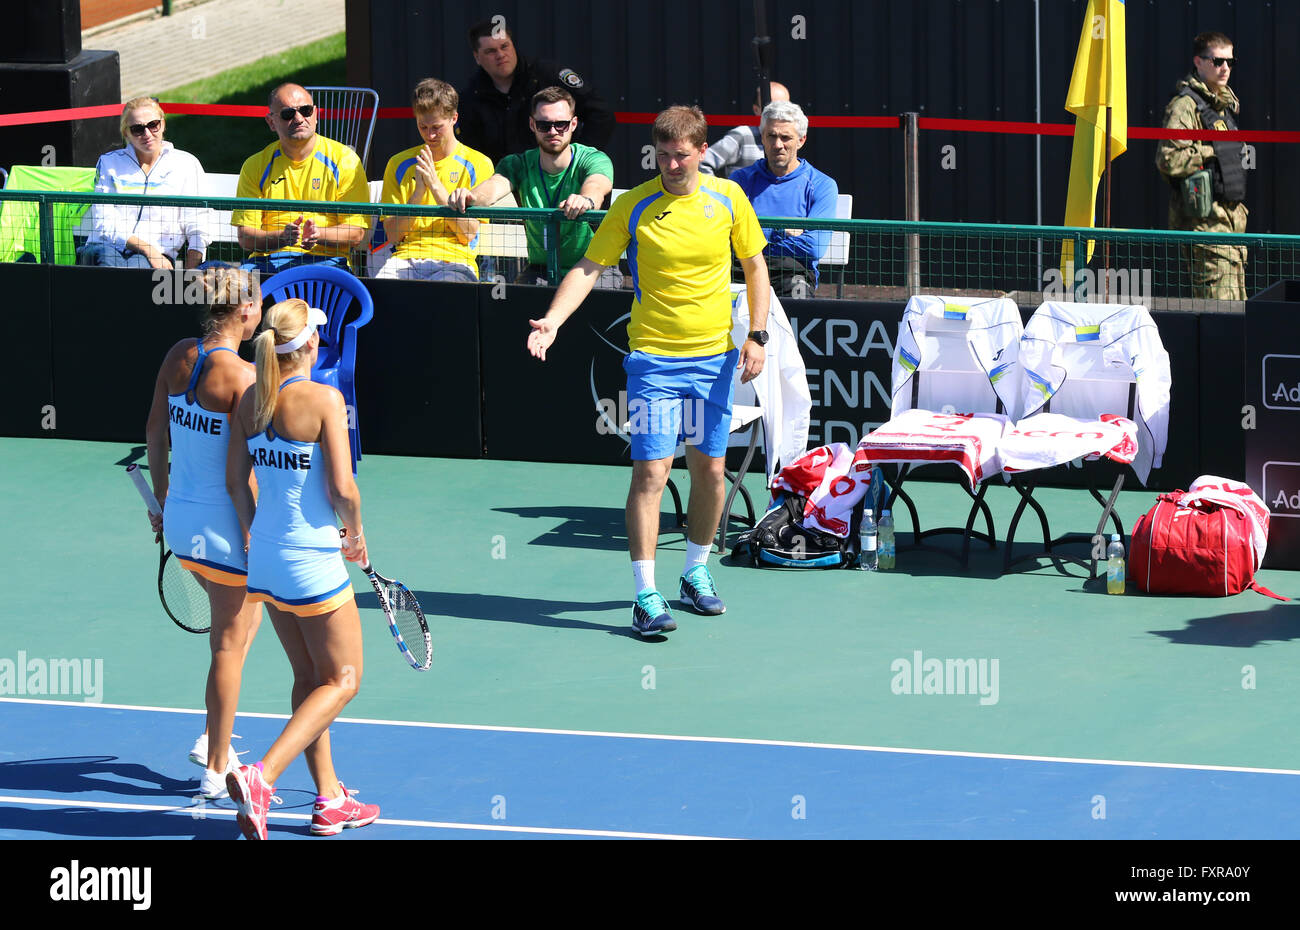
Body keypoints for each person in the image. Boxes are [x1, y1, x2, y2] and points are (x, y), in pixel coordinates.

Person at [526, 105, 770, 637]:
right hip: (653, 361)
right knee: (652, 473)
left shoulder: (729, 200)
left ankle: (696, 572)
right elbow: (589, 267)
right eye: (662, 156)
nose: (672, 165)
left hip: (715, 359)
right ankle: (644, 593)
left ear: (702, 152)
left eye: (681, 155)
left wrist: (756, 335)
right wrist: (552, 321)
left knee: (709, 471)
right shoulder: (634, 205)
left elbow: (755, 267)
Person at [224, 297, 378, 840]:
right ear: (311, 343)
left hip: (265, 558)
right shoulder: (325, 400)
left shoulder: (250, 401)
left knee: (309, 679)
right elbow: (342, 489)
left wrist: (255, 537)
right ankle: (262, 776)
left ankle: (330, 798)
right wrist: (356, 537)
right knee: (344, 680)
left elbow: (235, 483)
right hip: (312, 562)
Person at [143, 264, 264, 800]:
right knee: (228, 647)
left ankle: (216, 730)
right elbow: (245, 475)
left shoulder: (177, 355)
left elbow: (154, 431)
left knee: (240, 630)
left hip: (183, 526)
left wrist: (163, 499)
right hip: (224, 532)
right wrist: (258, 533)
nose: (260, 309)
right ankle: (216, 767)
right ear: (245, 313)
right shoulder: (243, 378)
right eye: (257, 301)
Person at [448, 85, 613, 284]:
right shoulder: (518, 164)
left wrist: (585, 199)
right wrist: (471, 197)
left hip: (592, 266)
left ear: (574, 124)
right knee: (513, 308)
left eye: (561, 124)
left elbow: (597, 185)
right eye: (544, 125)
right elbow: (493, 186)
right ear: (532, 125)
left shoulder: (593, 158)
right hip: (539, 270)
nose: (553, 131)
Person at [233, 83, 370, 276]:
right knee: (233, 293)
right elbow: (246, 237)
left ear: (316, 114)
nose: (299, 118)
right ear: (271, 122)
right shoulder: (255, 165)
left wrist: (318, 234)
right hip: (266, 263)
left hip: (327, 263)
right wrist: (281, 238)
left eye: (305, 110)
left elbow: (356, 233)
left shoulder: (345, 160)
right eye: (288, 114)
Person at [1155, 31, 1249, 300]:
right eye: (1218, 61)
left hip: (1231, 227)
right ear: (1198, 62)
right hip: (1204, 227)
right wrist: (1213, 151)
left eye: (1230, 62)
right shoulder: (1185, 106)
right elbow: (1167, 159)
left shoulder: (1222, 108)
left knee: (1236, 310)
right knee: (1219, 316)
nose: (1225, 68)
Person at [376, 78, 494, 283]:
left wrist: (436, 187)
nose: (430, 135)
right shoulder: (398, 163)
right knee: (382, 291)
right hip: (405, 258)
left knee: (445, 296)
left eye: (437, 127)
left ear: (454, 118)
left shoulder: (478, 163)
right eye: (423, 126)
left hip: (456, 260)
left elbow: (468, 235)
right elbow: (393, 236)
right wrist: (418, 193)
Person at [456, 18, 614, 165]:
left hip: (557, 178)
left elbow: (601, 114)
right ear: (477, 57)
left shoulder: (547, 76)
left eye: (505, 46)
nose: (500, 55)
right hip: (503, 184)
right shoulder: (471, 97)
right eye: (491, 51)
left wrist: (577, 159)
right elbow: (470, 152)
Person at [79, 97, 210, 269]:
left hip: (155, 257)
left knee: (137, 267)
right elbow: (104, 222)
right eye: (137, 129)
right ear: (126, 133)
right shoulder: (109, 163)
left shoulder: (186, 164)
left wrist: (191, 270)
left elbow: (197, 220)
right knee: (106, 258)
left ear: (162, 124)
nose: (147, 134)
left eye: (153, 125)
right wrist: (148, 250)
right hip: (105, 247)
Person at [730, 100, 839, 297]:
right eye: (771, 136)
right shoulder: (740, 180)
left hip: (793, 272)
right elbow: (727, 235)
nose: (778, 144)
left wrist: (756, 236)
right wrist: (782, 233)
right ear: (762, 137)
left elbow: (813, 247)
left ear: (801, 140)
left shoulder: (823, 185)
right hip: (742, 269)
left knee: (800, 299)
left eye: (785, 137)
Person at [699, 81, 790, 178]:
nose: (780, 114)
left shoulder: (792, 138)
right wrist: (716, 192)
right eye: (772, 109)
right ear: (756, 110)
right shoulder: (743, 136)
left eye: (786, 108)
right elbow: (702, 162)